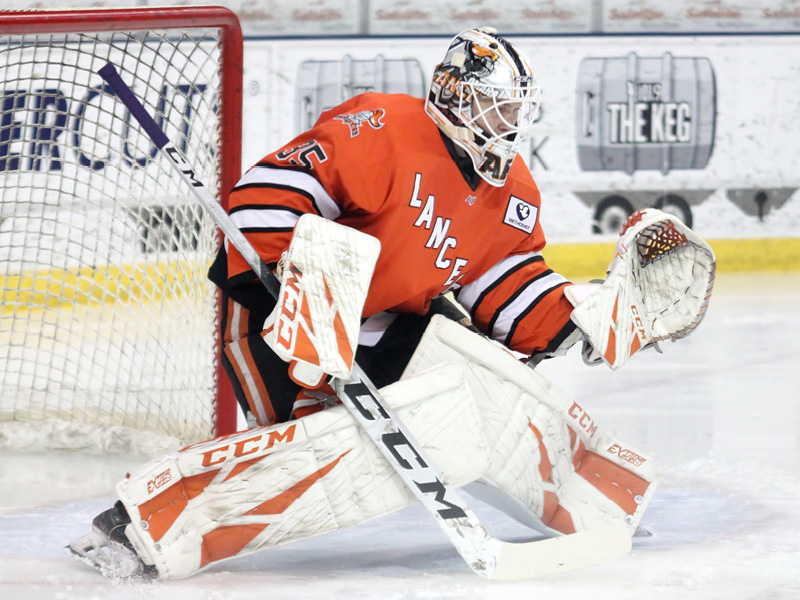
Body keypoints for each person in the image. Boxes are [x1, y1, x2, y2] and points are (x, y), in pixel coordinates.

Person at [208, 26, 580, 428]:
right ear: (455, 97)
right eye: (496, 105)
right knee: (304, 437)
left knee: (478, 380)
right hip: (274, 311)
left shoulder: (512, 188)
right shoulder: (383, 130)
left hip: (387, 316)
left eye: (515, 110)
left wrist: (581, 318)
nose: (509, 122)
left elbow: (501, 279)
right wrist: (301, 288)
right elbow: (264, 197)